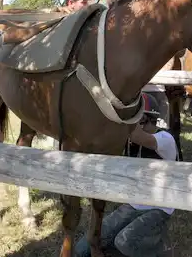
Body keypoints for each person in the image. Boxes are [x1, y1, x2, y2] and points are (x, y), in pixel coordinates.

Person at [74, 93, 178, 257]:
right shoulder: (131, 142)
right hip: (134, 204)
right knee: (82, 248)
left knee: (125, 242)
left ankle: (162, 249)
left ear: (146, 118)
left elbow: (136, 135)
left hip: (159, 208)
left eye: (135, 118)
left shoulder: (165, 139)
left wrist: (118, 115)